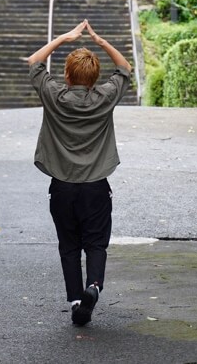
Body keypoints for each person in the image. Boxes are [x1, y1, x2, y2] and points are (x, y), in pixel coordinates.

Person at [27, 19, 132, 326]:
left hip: (62, 186)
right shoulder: (105, 96)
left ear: (67, 74)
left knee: (69, 245)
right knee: (96, 243)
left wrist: (65, 37)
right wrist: (101, 42)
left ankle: (76, 301)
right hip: (96, 186)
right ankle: (94, 286)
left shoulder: (54, 95)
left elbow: (34, 62)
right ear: (96, 76)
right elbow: (125, 68)